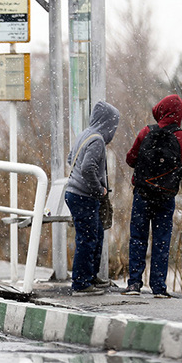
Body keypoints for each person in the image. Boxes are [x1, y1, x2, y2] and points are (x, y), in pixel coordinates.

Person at [123, 94, 182, 298]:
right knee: (161, 240)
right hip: (166, 197)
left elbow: (130, 159)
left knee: (138, 238)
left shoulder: (146, 132)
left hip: (143, 194)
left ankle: (134, 284)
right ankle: (159, 287)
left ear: (161, 110)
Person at [64, 101, 120, 296]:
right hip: (83, 196)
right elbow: (88, 167)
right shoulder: (97, 140)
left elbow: (71, 159)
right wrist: (99, 189)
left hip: (75, 193)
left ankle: (90, 276)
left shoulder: (84, 134)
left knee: (95, 234)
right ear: (107, 123)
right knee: (87, 238)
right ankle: (80, 283)